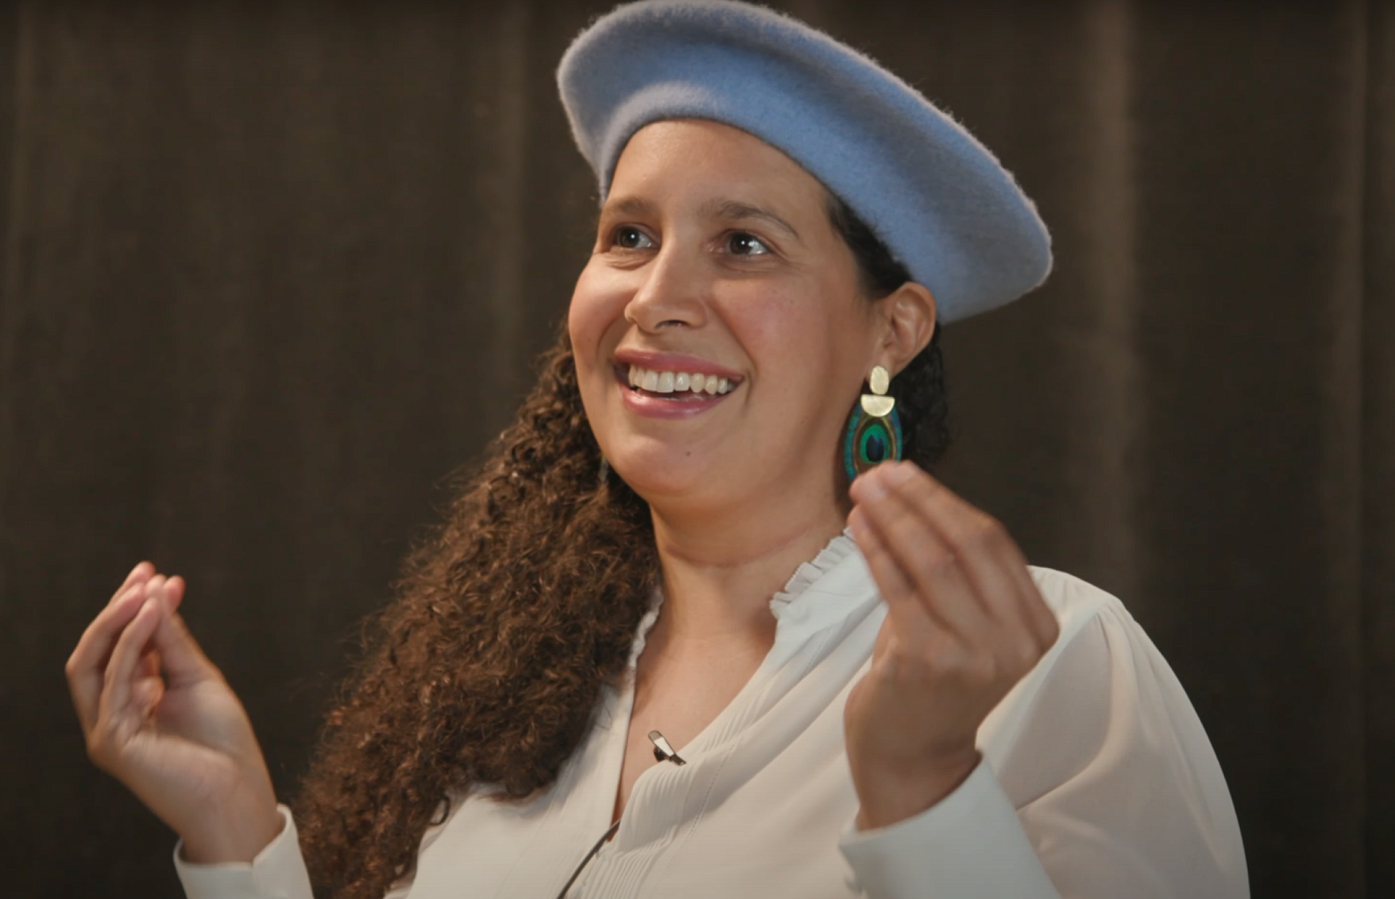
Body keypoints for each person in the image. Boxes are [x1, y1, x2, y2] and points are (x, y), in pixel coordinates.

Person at [64, 2, 1250, 897]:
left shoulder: (1058, 665)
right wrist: (235, 838)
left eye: (743, 243)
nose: (657, 296)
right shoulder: (518, 688)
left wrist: (927, 788)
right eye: (629, 235)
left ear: (893, 325)